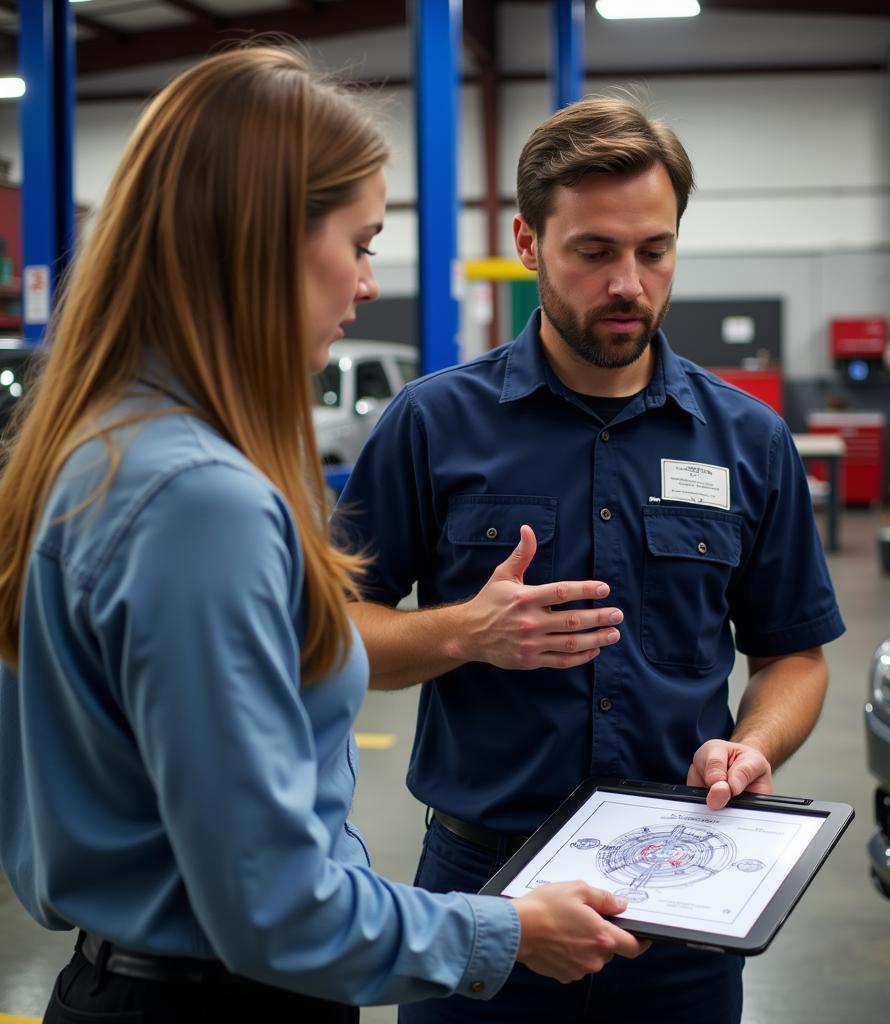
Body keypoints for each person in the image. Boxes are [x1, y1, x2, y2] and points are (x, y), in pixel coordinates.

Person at [0, 49, 647, 1024]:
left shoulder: (97, 449)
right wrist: (506, 931)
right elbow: (276, 907)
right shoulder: (198, 502)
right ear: (260, 244)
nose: (368, 281)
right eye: (361, 238)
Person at [336, 96, 846, 1023]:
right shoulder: (432, 424)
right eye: (594, 252)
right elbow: (332, 638)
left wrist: (754, 744)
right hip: (482, 892)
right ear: (530, 244)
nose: (628, 283)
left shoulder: (747, 439)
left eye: (654, 251)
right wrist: (463, 634)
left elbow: (794, 655)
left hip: (682, 896)